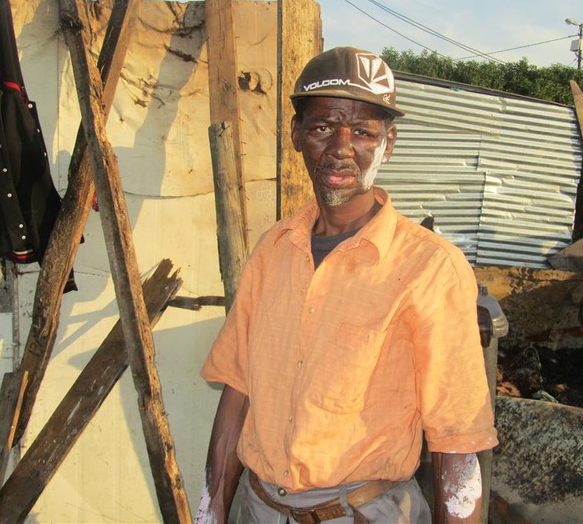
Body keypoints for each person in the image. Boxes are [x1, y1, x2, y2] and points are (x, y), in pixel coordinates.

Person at [199, 46, 498, 523]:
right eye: (322, 127)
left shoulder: (430, 267)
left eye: (363, 131)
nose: (342, 147)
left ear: (388, 143)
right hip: (257, 509)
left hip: (362, 512)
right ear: (296, 135)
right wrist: (210, 512)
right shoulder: (273, 250)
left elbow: (457, 437)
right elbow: (238, 388)